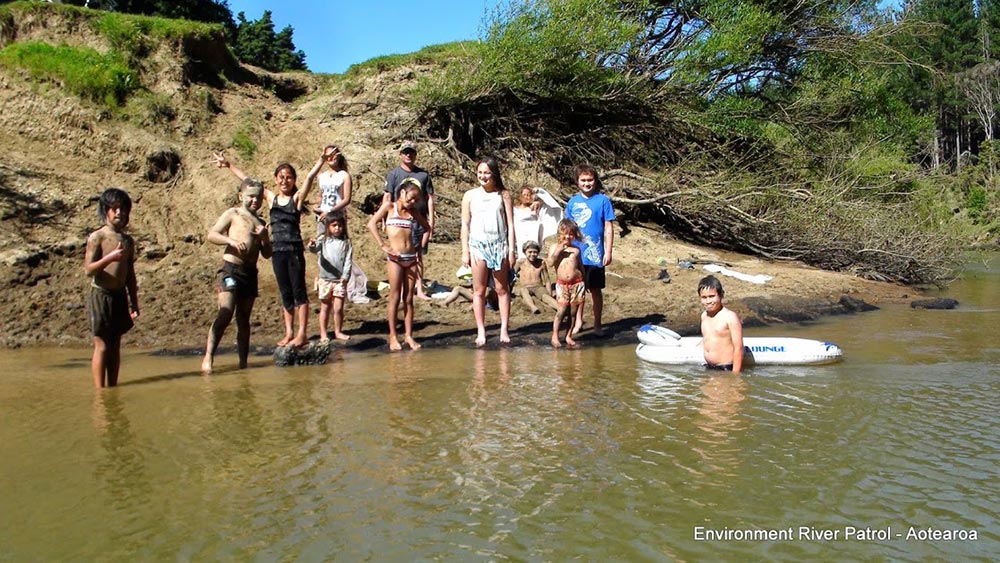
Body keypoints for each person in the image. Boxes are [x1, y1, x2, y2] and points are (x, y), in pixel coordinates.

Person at [215, 153, 311, 347]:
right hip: (277, 251)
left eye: (289, 177)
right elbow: (249, 182)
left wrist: (321, 161)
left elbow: (310, 178)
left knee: (298, 291)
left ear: (294, 181)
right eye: (281, 177)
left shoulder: (297, 199)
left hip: (294, 250)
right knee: (285, 293)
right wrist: (229, 165)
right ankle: (289, 333)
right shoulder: (271, 198)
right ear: (276, 179)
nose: (285, 180)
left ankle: (302, 334)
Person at [201, 178, 272, 373]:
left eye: (258, 197)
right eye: (250, 197)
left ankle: (243, 363)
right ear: (241, 196)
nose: (254, 201)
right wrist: (230, 240)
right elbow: (212, 234)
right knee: (225, 312)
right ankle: (208, 356)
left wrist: (265, 239)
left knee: (243, 319)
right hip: (231, 269)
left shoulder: (261, 223)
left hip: (250, 274)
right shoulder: (233, 214)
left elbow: (267, 254)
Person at [84, 188, 139, 388]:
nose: (119, 213)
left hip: (119, 296)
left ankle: (113, 387)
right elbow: (88, 270)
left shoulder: (127, 241)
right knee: (102, 345)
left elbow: (130, 274)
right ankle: (100, 391)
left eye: (123, 209)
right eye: (115, 209)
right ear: (105, 210)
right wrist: (109, 258)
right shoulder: (97, 237)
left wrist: (134, 301)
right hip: (101, 294)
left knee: (115, 345)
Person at [368, 179, 430, 350]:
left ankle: (409, 336)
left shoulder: (413, 213)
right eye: (411, 198)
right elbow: (371, 224)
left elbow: (427, 227)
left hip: (411, 258)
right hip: (395, 258)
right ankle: (393, 336)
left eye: (416, 200)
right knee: (395, 298)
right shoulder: (389, 207)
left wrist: (419, 246)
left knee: (409, 298)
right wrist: (383, 245)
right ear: (402, 193)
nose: (413, 202)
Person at [461, 156, 516, 346]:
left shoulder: (504, 195)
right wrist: (465, 251)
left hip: (499, 245)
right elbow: (465, 224)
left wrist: (512, 250)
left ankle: (504, 329)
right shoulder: (470, 195)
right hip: (478, 245)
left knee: (501, 288)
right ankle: (481, 331)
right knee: (479, 290)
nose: (483, 176)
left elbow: (510, 224)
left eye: (486, 172)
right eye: (480, 172)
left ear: (494, 174)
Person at [564, 164, 615, 336]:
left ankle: (597, 323)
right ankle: (578, 321)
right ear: (577, 182)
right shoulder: (572, 202)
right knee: (578, 290)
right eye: (583, 180)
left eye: (590, 180)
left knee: (595, 290)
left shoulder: (603, 201)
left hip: (596, 255)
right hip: (576, 254)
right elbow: (566, 229)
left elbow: (608, 227)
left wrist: (608, 251)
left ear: (595, 181)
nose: (587, 183)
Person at [381, 140, 435, 299]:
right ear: (400, 154)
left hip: (418, 219)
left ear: (416, 154)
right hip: (398, 221)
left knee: (418, 254)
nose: (408, 155)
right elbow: (387, 196)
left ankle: (419, 289)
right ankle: (400, 286)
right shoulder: (394, 174)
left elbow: (430, 198)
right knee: (398, 253)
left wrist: (431, 221)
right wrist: (385, 219)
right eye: (405, 152)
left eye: (411, 152)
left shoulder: (423, 175)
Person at [308, 214, 353, 342]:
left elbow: (348, 260)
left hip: (339, 280)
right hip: (325, 279)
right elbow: (314, 249)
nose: (337, 228)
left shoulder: (346, 242)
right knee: (325, 307)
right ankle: (323, 333)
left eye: (340, 225)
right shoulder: (323, 239)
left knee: (338, 308)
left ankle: (338, 331)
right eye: (334, 225)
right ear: (328, 226)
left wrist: (346, 275)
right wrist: (311, 245)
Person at [548, 219, 585, 348]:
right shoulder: (554, 247)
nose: (567, 237)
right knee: (562, 310)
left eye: (571, 234)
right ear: (559, 234)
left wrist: (585, 281)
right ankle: (555, 335)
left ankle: (568, 335)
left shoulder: (576, 250)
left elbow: (580, 266)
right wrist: (558, 252)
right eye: (565, 234)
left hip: (577, 283)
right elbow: (550, 263)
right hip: (562, 284)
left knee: (573, 312)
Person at [698, 275, 744, 373]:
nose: (708, 301)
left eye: (712, 296)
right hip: (709, 368)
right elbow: (709, 338)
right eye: (704, 297)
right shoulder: (704, 316)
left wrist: (735, 375)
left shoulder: (730, 317)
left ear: (721, 295)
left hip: (725, 368)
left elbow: (738, 347)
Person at [304, 144, 352, 237]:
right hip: (322, 215)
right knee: (321, 241)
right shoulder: (322, 176)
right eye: (328, 155)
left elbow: (346, 199)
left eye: (333, 154)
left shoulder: (344, 175)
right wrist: (317, 206)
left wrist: (330, 211)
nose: (331, 157)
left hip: (337, 216)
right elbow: (320, 195)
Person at [513, 240, 557, 314]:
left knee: (545, 296)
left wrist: (549, 293)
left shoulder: (541, 263)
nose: (532, 254)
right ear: (525, 252)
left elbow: (547, 280)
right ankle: (533, 307)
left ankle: (559, 308)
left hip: (538, 287)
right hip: (525, 287)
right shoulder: (520, 263)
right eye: (530, 252)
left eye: (535, 252)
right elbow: (512, 276)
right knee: (524, 291)